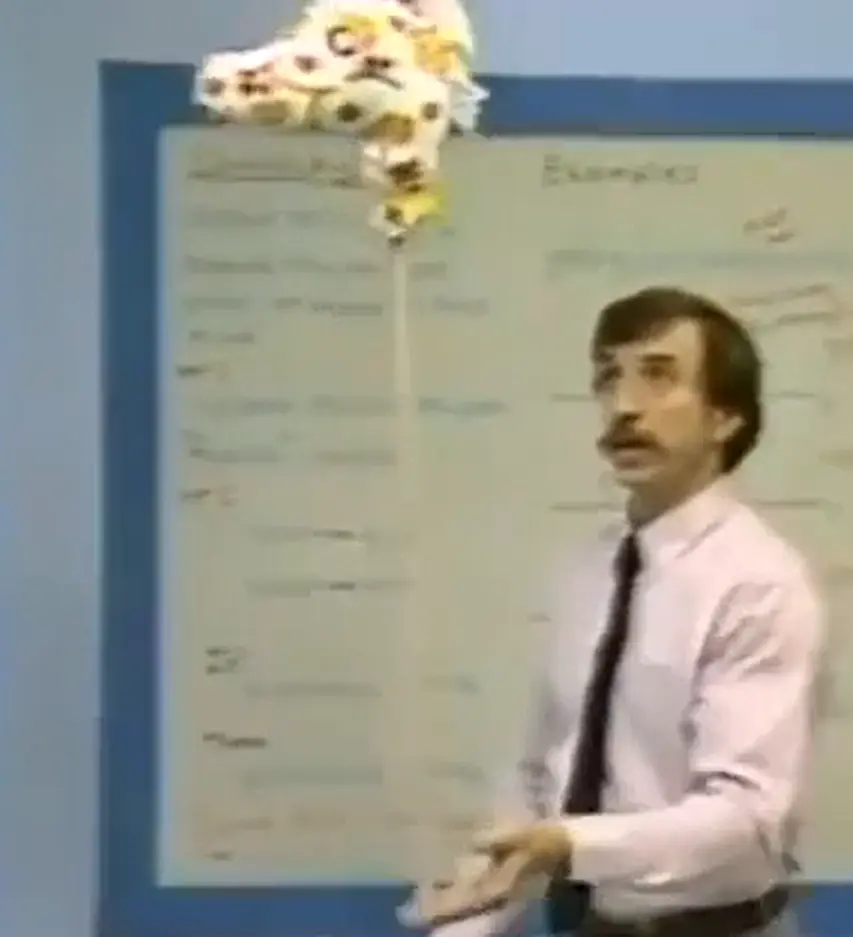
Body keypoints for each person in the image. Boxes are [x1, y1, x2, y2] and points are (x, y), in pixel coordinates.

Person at [408, 287, 825, 937]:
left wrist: (569, 844)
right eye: (609, 378)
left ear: (724, 417)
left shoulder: (759, 583)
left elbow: (745, 820)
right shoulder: (589, 568)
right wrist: (467, 923)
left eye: (658, 376)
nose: (624, 405)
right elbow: (542, 772)